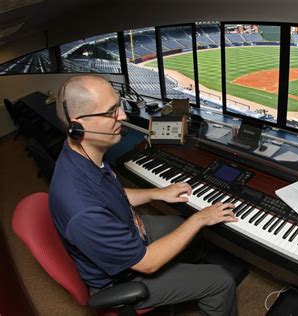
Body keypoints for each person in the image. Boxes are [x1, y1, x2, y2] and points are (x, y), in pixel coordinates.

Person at [49, 74, 239, 315]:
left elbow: (111, 194)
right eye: (110, 113)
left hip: (131, 229)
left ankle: (185, 276)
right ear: (78, 125)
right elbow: (147, 264)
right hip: (124, 278)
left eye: (118, 106)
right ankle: (202, 285)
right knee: (220, 280)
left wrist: (157, 194)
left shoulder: (81, 155)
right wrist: (200, 217)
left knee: (180, 226)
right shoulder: (82, 210)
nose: (123, 116)